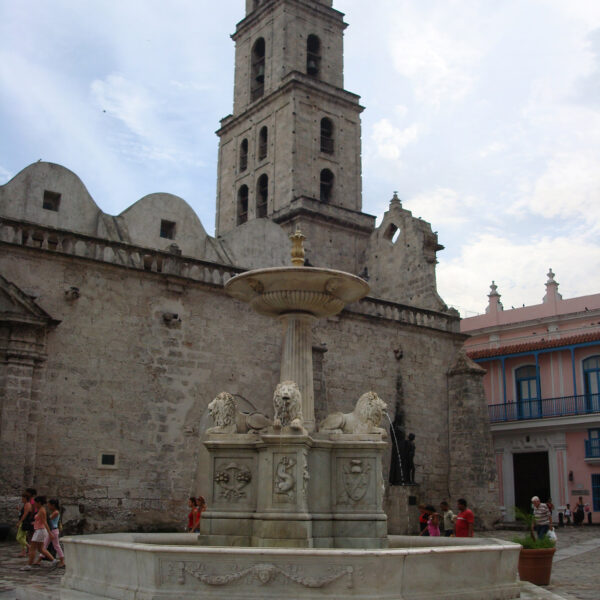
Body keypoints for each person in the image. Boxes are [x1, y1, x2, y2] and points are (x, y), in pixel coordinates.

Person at [20, 496, 55, 570]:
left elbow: (45, 522)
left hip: (40, 531)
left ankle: (29, 565)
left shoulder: (42, 510)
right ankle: (54, 560)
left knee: (32, 548)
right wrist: (35, 522)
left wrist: (50, 533)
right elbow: (41, 521)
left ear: (39, 503)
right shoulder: (41, 510)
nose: (34, 504)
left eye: (35, 502)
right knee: (41, 549)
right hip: (40, 530)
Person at [38, 499, 65, 568]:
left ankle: (62, 561)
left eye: (49, 505)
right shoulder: (55, 512)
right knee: (45, 545)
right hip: (52, 530)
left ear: (53, 505)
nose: (48, 506)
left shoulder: (56, 512)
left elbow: (48, 520)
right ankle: (39, 560)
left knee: (56, 546)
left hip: (53, 531)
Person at [16, 492, 33, 557]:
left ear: (25, 498)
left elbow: (25, 515)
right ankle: (23, 552)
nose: (22, 499)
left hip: (25, 523)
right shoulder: (26, 504)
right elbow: (23, 513)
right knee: (23, 537)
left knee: (19, 537)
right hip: (25, 522)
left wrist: (19, 522)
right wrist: (19, 510)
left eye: (23, 498)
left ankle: (29, 547)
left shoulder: (27, 504)